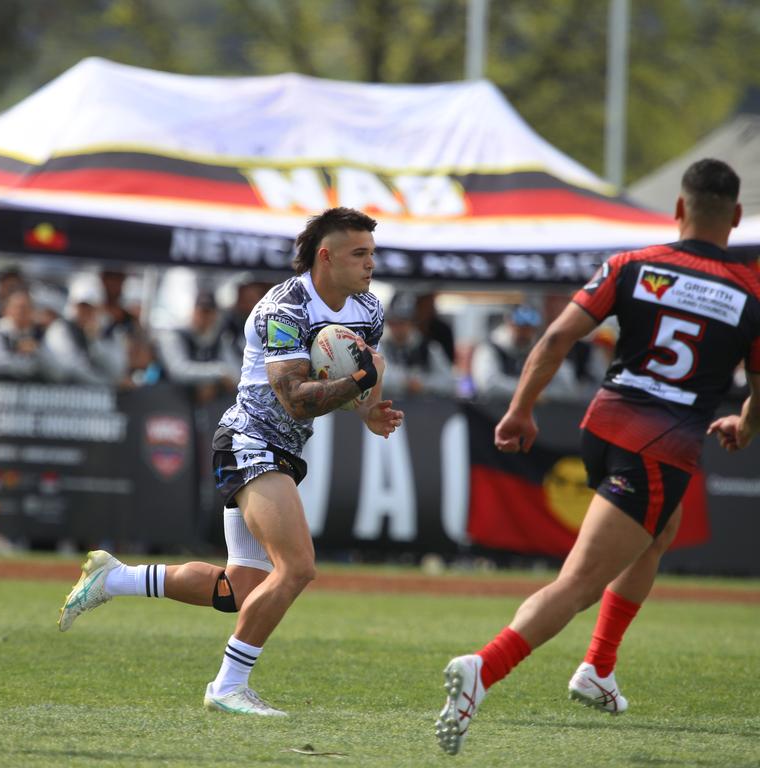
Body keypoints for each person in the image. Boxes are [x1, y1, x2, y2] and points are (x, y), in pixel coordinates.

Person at [435, 158, 760, 756]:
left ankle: (598, 669)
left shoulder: (631, 264)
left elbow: (558, 337)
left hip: (603, 426)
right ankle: (482, 669)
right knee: (581, 581)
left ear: (679, 210)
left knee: (660, 532)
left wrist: (520, 409)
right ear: (737, 218)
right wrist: (745, 423)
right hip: (660, 447)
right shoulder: (750, 292)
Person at [57, 207, 404, 716]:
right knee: (297, 568)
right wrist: (360, 384)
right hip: (250, 438)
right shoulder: (282, 309)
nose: (371, 264)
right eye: (360, 254)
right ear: (326, 257)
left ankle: (113, 578)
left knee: (238, 588)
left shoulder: (368, 308)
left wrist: (368, 410)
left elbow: (356, 373)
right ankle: (227, 687)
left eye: (373, 253)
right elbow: (294, 397)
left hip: (284, 447)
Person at [156, 290, 241, 403]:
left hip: (205, 405)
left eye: (209, 312)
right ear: (193, 311)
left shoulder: (220, 338)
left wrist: (214, 383)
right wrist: (218, 373)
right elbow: (178, 370)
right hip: (169, 400)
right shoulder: (175, 334)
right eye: (201, 312)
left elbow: (236, 375)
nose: (204, 317)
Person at [379, 291, 455, 398]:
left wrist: (423, 384)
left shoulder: (430, 348)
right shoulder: (380, 347)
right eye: (392, 322)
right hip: (390, 407)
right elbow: (375, 380)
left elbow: (450, 383)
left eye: (401, 322)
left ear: (412, 322)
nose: (396, 328)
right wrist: (404, 383)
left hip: (424, 410)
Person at [0, 287, 48, 379]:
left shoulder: (40, 334)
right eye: (17, 307)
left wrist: (36, 351)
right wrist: (19, 355)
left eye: (26, 308)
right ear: (6, 310)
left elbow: (51, 364)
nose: (21, 312)